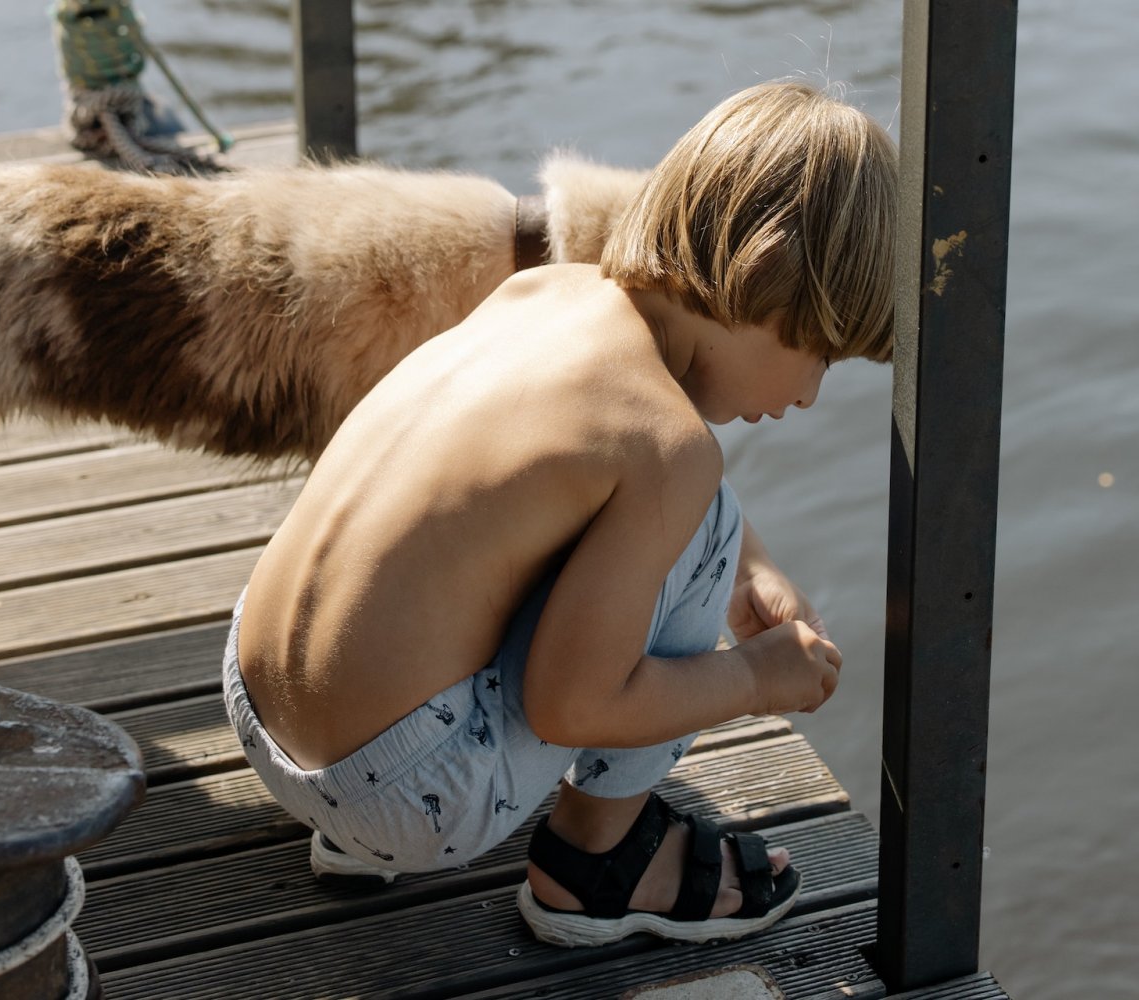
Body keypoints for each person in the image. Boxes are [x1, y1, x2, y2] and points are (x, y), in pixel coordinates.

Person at [223, 79, 897, 947]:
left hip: (257, 705)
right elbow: (572, 706)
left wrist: (743, 565)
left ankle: (361, 834)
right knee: (697, 505)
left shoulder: (542, 294)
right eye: (821, 355)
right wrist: (756, 679)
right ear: (767, 287)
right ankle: (596, 868)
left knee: (690, 516)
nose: (807, 396)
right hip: (398, 797)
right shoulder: (670, 450)